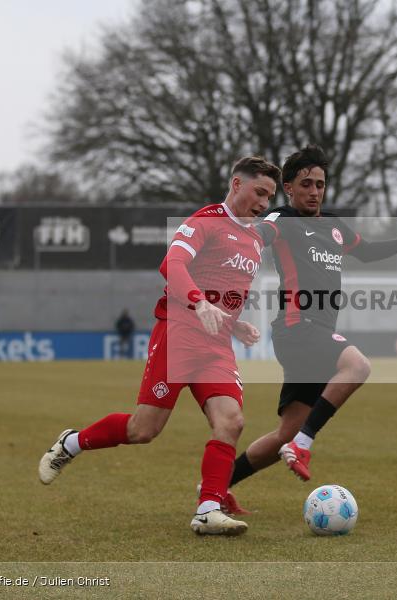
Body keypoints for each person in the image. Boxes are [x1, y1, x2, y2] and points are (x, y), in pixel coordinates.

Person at [38, 156, 281, 536]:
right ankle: (72, 442)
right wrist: (199, 302)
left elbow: (223, 292)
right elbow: (174, 265)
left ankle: (208, 509)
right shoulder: (206, 221)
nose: (264, 203)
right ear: (236, 184)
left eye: (269, 196)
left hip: (215, 344)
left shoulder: (254, 237)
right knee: (143, 430)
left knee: (231, 421)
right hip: (179, 333)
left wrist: (234, 326)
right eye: (259, 192)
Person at [224, 144, 397, 500]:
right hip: (297, 327)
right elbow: (252, 239)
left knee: (285, 432)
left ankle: (216, 486)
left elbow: (367, 251)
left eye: (320, 184)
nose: (314, 192)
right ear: (289, 188)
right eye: (306, 184)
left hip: (315, 333)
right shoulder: (282, 220)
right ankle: (303, 446)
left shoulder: (333, 227)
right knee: (357, 366)